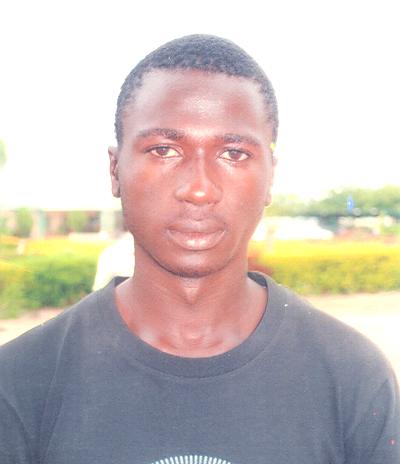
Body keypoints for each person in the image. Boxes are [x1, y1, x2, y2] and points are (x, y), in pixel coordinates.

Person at [0, 35, 398, 464]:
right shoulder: (22, 380)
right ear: (115, 170)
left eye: (233, 153)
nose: (199, 188)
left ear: (270, 177)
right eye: (164, 150)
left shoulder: (352, 377)